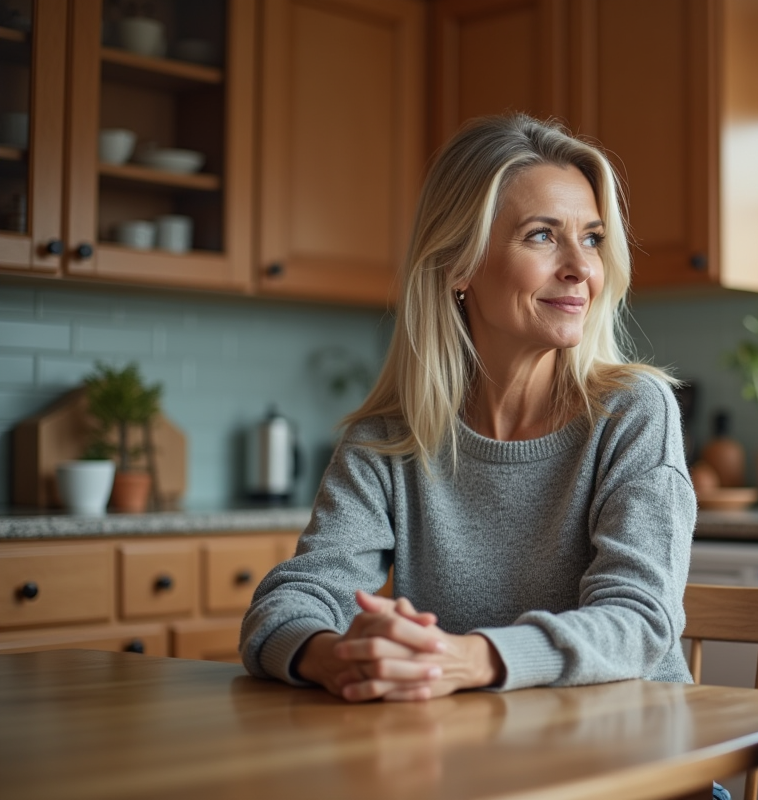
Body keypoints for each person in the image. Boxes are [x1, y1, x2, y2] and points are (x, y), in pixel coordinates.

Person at [240, 112, 695, 702]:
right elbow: (285, 605)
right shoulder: (390, 438)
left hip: (642, 768)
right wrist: (339, 656)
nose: (582, 269)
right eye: (541, 235)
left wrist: (471, 659)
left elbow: (640, 624)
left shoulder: (633, 412)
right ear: (460, 264)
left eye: (592, 239)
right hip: (478, 766)